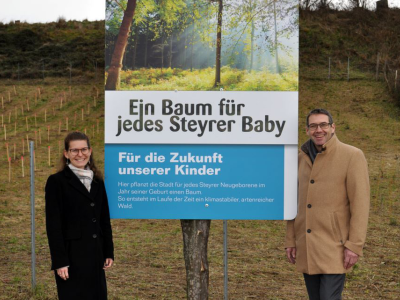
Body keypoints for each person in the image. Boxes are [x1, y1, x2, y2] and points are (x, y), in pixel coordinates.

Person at [285, 109, 370, 300]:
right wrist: (291, 239)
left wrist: (354, 245)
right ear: (307, 130)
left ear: (332, 127)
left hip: (335, 247)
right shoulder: (300, 158)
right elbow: (293, 203)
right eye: (313, 126)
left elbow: (360, 205)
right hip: (307, 245)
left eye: (323, 124)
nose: (319, 130)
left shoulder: (352, 156)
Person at [45, 131, 114, 300]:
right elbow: (53, 225)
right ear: (66, 154)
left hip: (96, 254)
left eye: (84, 149)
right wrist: (60, 261)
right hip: (72, 256)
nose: (80, 154)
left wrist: (108, 251)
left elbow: (104, 218)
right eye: (74, 150)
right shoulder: (56, 182)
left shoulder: (97, 180)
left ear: (90, 152)